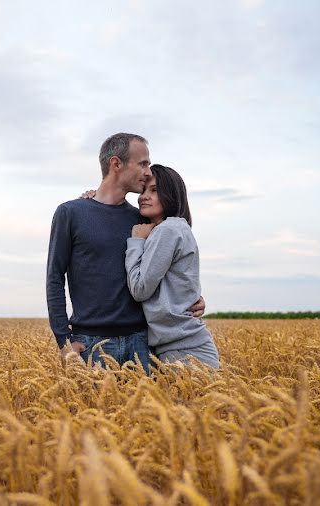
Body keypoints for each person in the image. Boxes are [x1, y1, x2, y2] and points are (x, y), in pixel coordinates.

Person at [46, 133, 204, 373]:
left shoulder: (144, 221)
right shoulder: (70, 213)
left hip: (143, 344)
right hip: (92, 345)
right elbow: (54, 277)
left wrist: (193, 299)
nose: (149, 171)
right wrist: (63, 340)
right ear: (116, 164)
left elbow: (172, 266)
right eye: (143, 163)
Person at [125, 164, 220, 369]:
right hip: (184, 348)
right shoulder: (176, 228)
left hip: (186, 351)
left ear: (171, 194)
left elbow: (140, 289)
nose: (143, 196)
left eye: (154, 190)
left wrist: (136, 242)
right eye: (142, 191)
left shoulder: (167, 230)